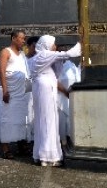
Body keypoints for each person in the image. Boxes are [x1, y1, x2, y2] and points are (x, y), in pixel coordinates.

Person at [30, 35, 80, 167]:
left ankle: (40, 154)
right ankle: (48, 157)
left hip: (42, 88)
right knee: (48, 122)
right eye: (53, 44)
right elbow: (69, 53)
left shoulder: (39, 56)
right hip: (45, 89)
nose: (55, 46)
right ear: (46, 45)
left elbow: (57, 70)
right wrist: (82, 42)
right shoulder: (44, 54)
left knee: (43, 122)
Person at [0, 30, 30, 159]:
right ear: (13, 38)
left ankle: (20, 144)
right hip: (10, 92)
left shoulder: (23, 54)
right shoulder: (5, 52)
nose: (23, 41)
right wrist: (5, 90)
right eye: (22, 38)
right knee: (8, 119)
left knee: (21, 119)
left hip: (22, 93)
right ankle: (5, 148)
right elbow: (2, 71)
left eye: (24, 39)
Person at [56, 55, 81, 154]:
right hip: (60, 97)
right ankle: (62, 144)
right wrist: (65, 92)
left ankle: (69, 141)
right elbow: (54, 80)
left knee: (69, 121)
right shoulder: (55, 66)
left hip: (70, 96)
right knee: (61, 122)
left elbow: (77, 78)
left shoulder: (72, 66)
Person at [24, 36, 40, 143]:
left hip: (39, 92)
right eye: (34, 46)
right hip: (26, 93)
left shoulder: (41, 59)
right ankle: (26, 138)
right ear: (28, 46)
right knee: (27, 115)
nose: (36, 49)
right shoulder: (23, 60)